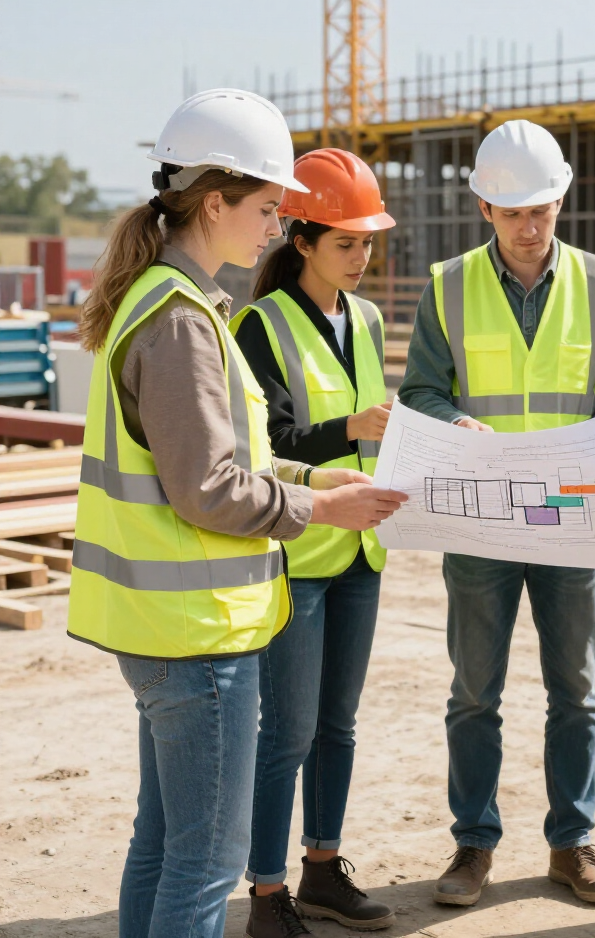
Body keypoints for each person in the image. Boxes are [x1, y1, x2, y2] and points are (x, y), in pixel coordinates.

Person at [67, 90, 407, 938]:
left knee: (163, 842)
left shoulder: (161, 302)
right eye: (264, 207)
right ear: (213, 202)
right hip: (200, 638)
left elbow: (234, 460)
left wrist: (319, 487)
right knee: (204, 864)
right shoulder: (182, 322)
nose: (273, 226)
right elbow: (210, 490)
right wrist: (321, 508)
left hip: (163, 629)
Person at [399, 119, 595, 907]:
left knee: (576, 688)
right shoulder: (447, 286)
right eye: (514, 213)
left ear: (562, 198)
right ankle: (473, 845)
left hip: (571, 517)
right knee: (475, 690)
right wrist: (452, 422)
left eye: (541, 208)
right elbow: (421, 392)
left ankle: (572, 843)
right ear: (483, 207)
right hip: (481, 520)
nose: (530, 226)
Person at [231, 149, 397, 936]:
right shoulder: (257, 325)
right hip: (299, 556)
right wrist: (350, 430)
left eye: (368, 242)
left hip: (361, 555)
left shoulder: (365, 320)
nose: (361, 258)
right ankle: (267, 894)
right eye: (346, 243)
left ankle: (323, 869)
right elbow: (268, 446)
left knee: (339, 725)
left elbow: (376, 437)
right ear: (301, 240)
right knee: (286, 733)